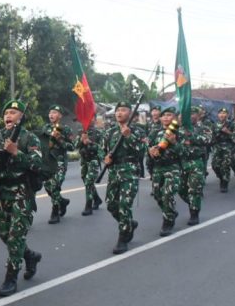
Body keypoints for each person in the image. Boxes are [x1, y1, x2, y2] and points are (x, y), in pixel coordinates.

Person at [0, 99, 43, 297]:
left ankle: (11, 277)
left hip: (22, 192)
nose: (8, 116)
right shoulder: (0, 136)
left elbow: (37, 165)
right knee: (2, 232)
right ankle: (30, 256)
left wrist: (16, 152)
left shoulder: (29, 138)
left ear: (21, 117)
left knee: (15, 237)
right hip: (4, 192)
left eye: (12, 112)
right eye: (6, 113)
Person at [102, 101, 142, 254]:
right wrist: (105, 157)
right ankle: (129, 223)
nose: (119, 113)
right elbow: (102, 150)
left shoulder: (137, 131)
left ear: (130, 113)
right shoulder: (110, 132)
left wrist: (129, 136)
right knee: (111, 204)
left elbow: (141, 151)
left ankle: (123, 236)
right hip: (114, 171)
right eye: (118, 110)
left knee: (124, 205)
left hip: (130, 171)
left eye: (123, 110)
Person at [147, 106, 182, 236]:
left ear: (174, 118)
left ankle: (168, 221)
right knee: (158, 195)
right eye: (164, 115)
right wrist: (150, 151)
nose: (166, 117)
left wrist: (174, 142)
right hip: (158, 168)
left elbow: (184, 152)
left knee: (168, 194)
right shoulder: (155, 132)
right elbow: (148, 146)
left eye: (169, 115)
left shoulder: (179, 132)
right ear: (160, 118)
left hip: (172, 167)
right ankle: (171, 212)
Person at [177, 106, 213, 225]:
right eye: (188, 114)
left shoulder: (204, 128)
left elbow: (207, 140)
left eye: (193, 114)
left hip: (196, 161)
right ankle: (193, 203)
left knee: (194, 189)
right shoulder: (179, 128)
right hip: (181, 162)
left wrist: (191, 136)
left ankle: (194, 213)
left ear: (198, 116)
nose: (190, 116)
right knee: (181, 189)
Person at [42, 105, 74, 224]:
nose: (51, 115)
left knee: (54, 186)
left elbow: (72, 147)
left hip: (60, 162)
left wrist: (60, 139)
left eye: (54, 112)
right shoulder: (45, 128)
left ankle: (55, 211)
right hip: (48, 161)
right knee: (47, 186)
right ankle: (62, 202)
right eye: (50, 112)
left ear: (60, 115)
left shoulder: (66, 129)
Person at [75, 117, 103, 216]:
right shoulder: (81, 132)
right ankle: (97, 199)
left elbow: (102, 149)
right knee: (86, 181)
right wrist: (81, 140)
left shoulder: (98, 133)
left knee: (88, 182)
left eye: (90, 118)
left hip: (93, 160)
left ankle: (88, 206)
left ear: (94, 120)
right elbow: (75, 146)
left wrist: (91, 143)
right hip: (84, 161)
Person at [211, 108, 234, 193]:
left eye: (224, 113)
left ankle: (225, 183)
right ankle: (221, 178)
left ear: (227, 115)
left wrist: (228, 132)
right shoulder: (214, 125)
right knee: (215, 165)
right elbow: (211, 135)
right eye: (220, 113)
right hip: (217, 146)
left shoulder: (231, 124)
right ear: (218, 115)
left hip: (227, 146)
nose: (222, 115)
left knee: (225, 165)